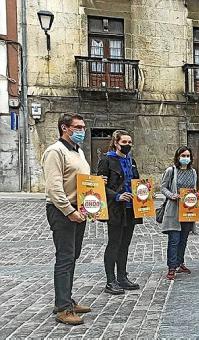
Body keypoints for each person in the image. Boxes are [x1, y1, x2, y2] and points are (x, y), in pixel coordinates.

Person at [42, 113, 92, 325]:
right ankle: (62, 309)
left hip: (77, 210)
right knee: (65, 257)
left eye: (83, 127)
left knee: (73, 256)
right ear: (65, 128)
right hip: (62, 211)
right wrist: (69, 211)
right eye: (78, 127)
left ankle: (66, 300)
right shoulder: (55, 151)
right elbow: (54, 188)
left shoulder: (78, 151)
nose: (82, 130)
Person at [97, 130, 143, 295]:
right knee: (114, 244)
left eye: (130, 142)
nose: (128, 145)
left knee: (125, 244)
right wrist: (117, 196)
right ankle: (110, 280)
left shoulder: (132, 161)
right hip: (115, 208)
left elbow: (137, 182)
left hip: (131, 209)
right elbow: (99, 186)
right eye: (124, 142)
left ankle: (122, 277)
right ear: (116, 143)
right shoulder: (106, 160)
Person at [160, 146, 198, 280]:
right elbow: (163, 187)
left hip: (188, 210)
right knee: (174, 240)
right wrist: (171, 195)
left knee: (183, 239)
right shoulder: (171, 171)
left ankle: (180, 262)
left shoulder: (193, 172)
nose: (185, 158)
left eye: (188, 156)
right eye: (183, 155)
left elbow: (194, 189)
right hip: (174, 209)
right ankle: (171, 267)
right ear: (178, 157)